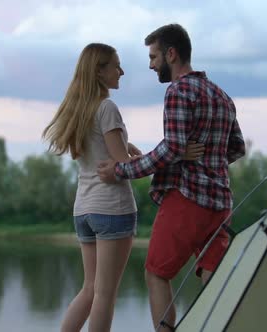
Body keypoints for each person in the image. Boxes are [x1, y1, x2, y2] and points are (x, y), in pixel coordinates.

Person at [42, 43, 204, 332]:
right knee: (105, 295)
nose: (122, 71)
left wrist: (130, 150)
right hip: (112, 210)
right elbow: (122, 167)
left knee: (89, 290)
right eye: (116, 66)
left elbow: (106, 153)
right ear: (99, 71)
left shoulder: (79, 110)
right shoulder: (106, 108)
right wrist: (175, 154)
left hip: (84, 210)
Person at [97, 24, 246, 331]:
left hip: (187, 199)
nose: (151, 65)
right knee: (211, 271)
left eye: (153, 57)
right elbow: (236, 148)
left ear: (171, 54)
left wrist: (120, 171)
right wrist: (207, 159)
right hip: (219, 202)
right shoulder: (222, 96)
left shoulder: (179, 90)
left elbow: (172, 149)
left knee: (156, 272)